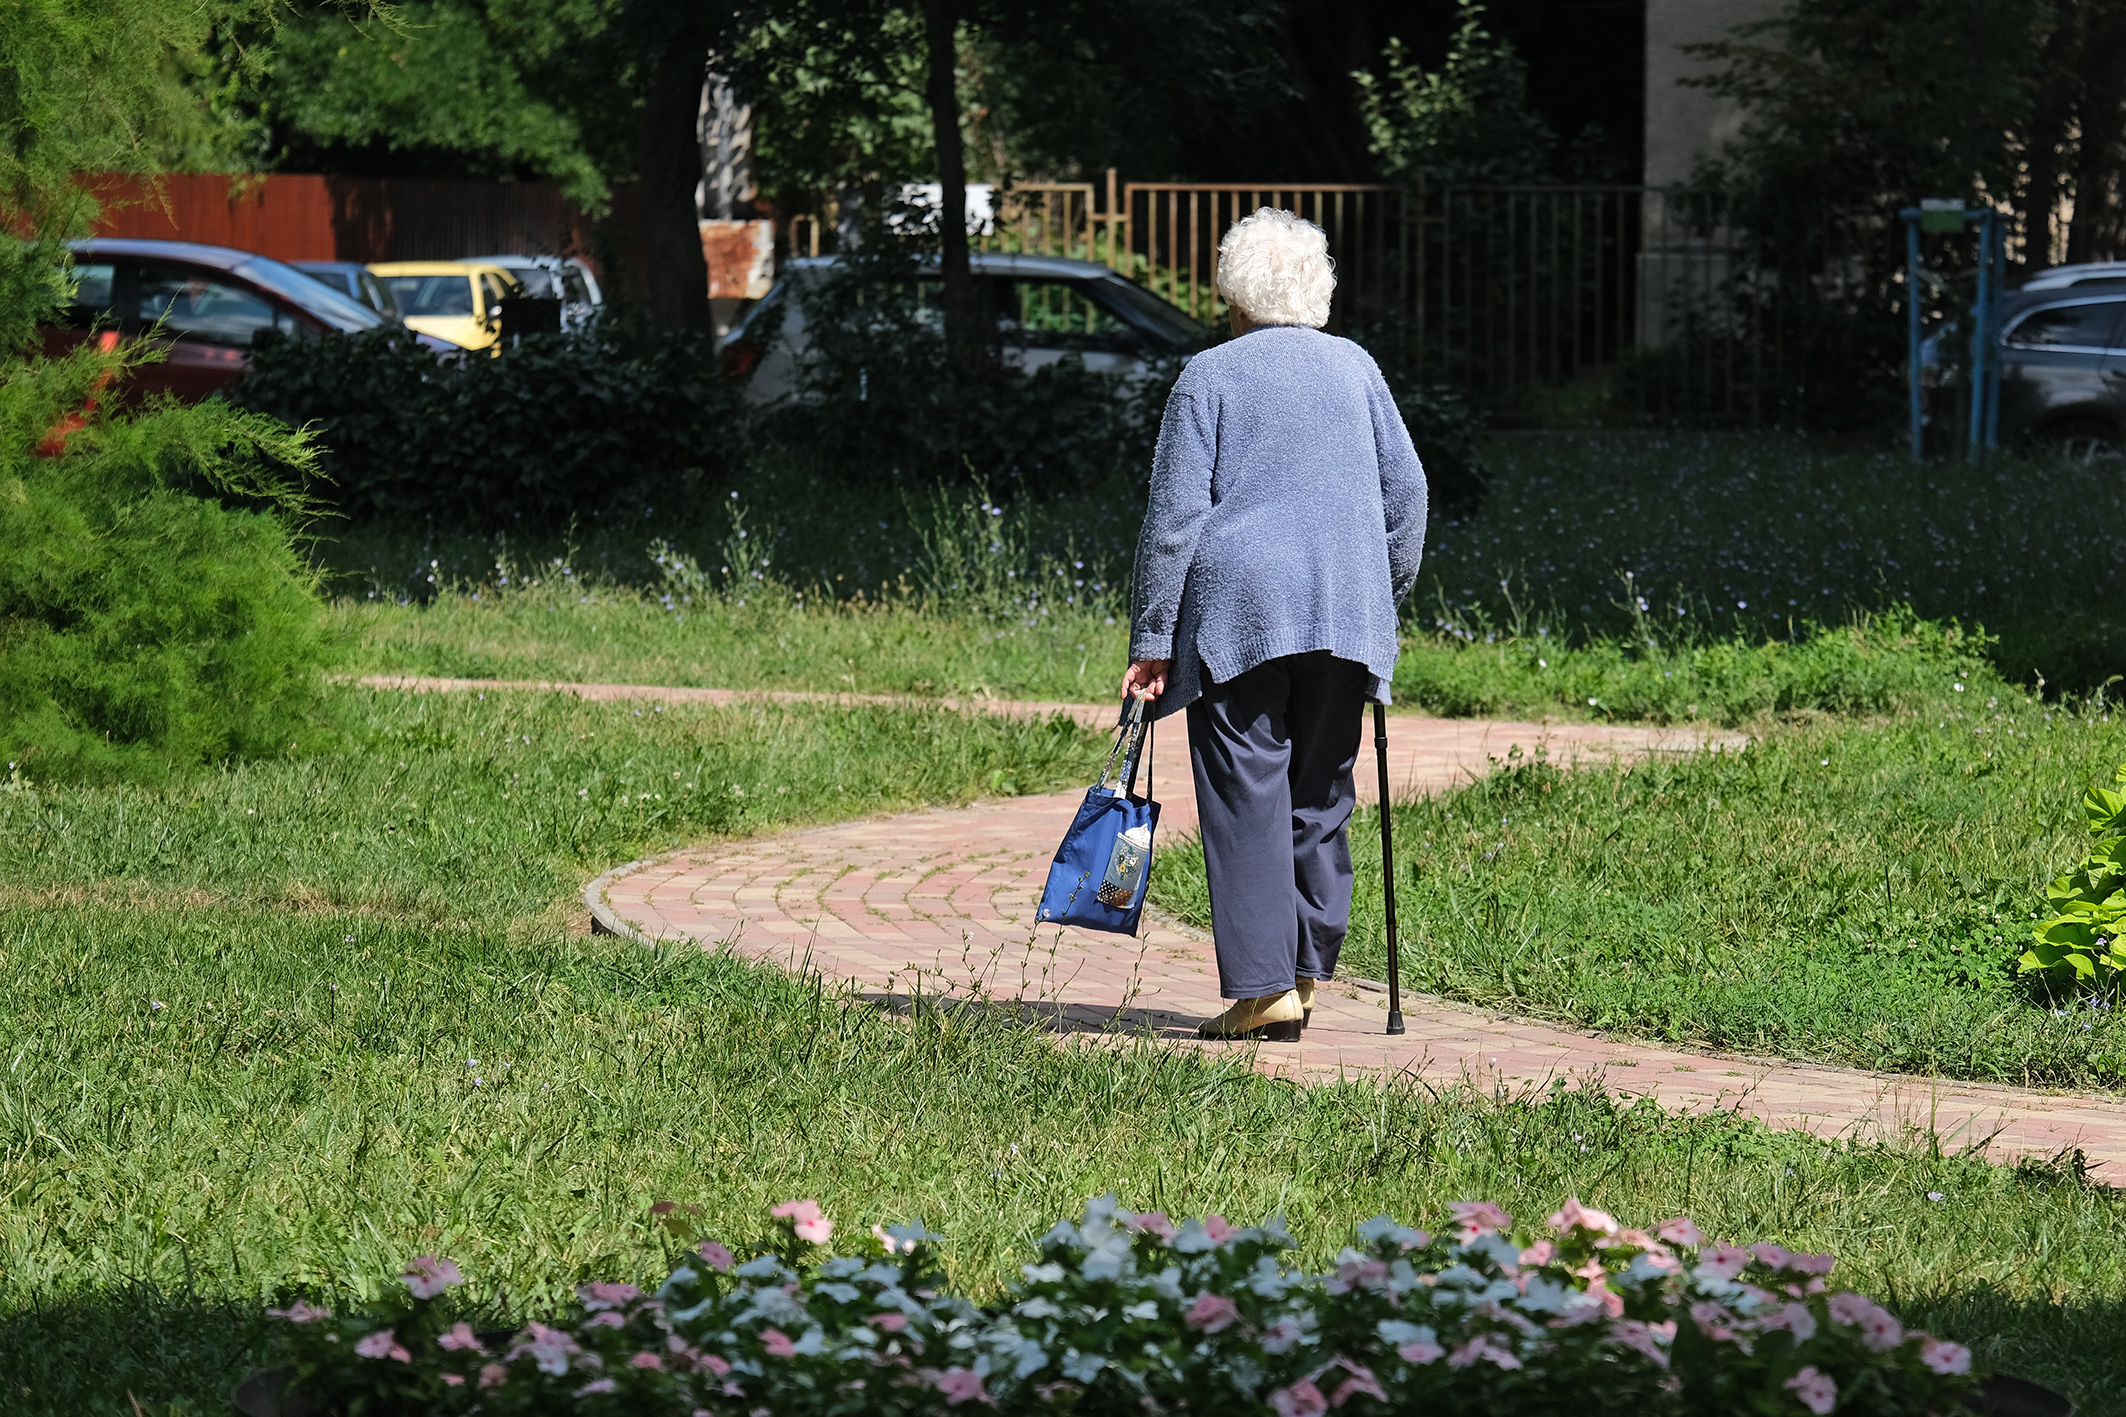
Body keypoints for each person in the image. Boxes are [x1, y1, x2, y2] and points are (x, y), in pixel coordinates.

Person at [1122, 207, 1428, 1043]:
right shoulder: (1356, 368)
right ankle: (1303, 969)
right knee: (1320, 788)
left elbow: (1176, 518)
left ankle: (1263, 991)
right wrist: (1382, 589)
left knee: (1245, 785)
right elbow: (1410, 497)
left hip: (1240, 612)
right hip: (1347, 608)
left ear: (1235, 292)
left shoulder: (1210, 374)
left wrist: (1153, 636)